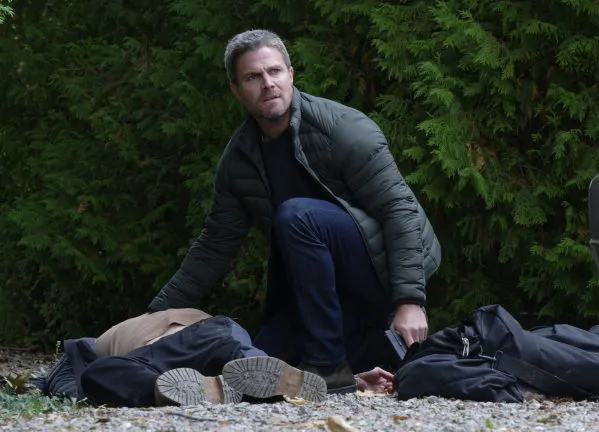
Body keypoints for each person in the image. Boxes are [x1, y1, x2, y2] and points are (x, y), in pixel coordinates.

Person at [145, 29, 442, 393]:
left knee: (296, 216)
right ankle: (326, 369)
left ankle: (328, 368)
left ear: (290, 75)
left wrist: (410, 301)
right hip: (320, 293)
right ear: (236, 89)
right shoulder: (239, 162)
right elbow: (214, 246)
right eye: (253, 77)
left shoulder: (342, 129)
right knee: (255, 365)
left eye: (274, 71)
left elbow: (399, 210)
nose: (267, 83)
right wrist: (155, 318)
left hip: (380, 273)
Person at [39, 309, 394, 408]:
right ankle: (227, 389)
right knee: (246, 363)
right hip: (222, 336)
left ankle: (197, 390)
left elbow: (71, 382)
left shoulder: (85, 350)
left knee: (101, 375)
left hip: (188, 337)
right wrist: (350, 383)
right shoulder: (138, 325)